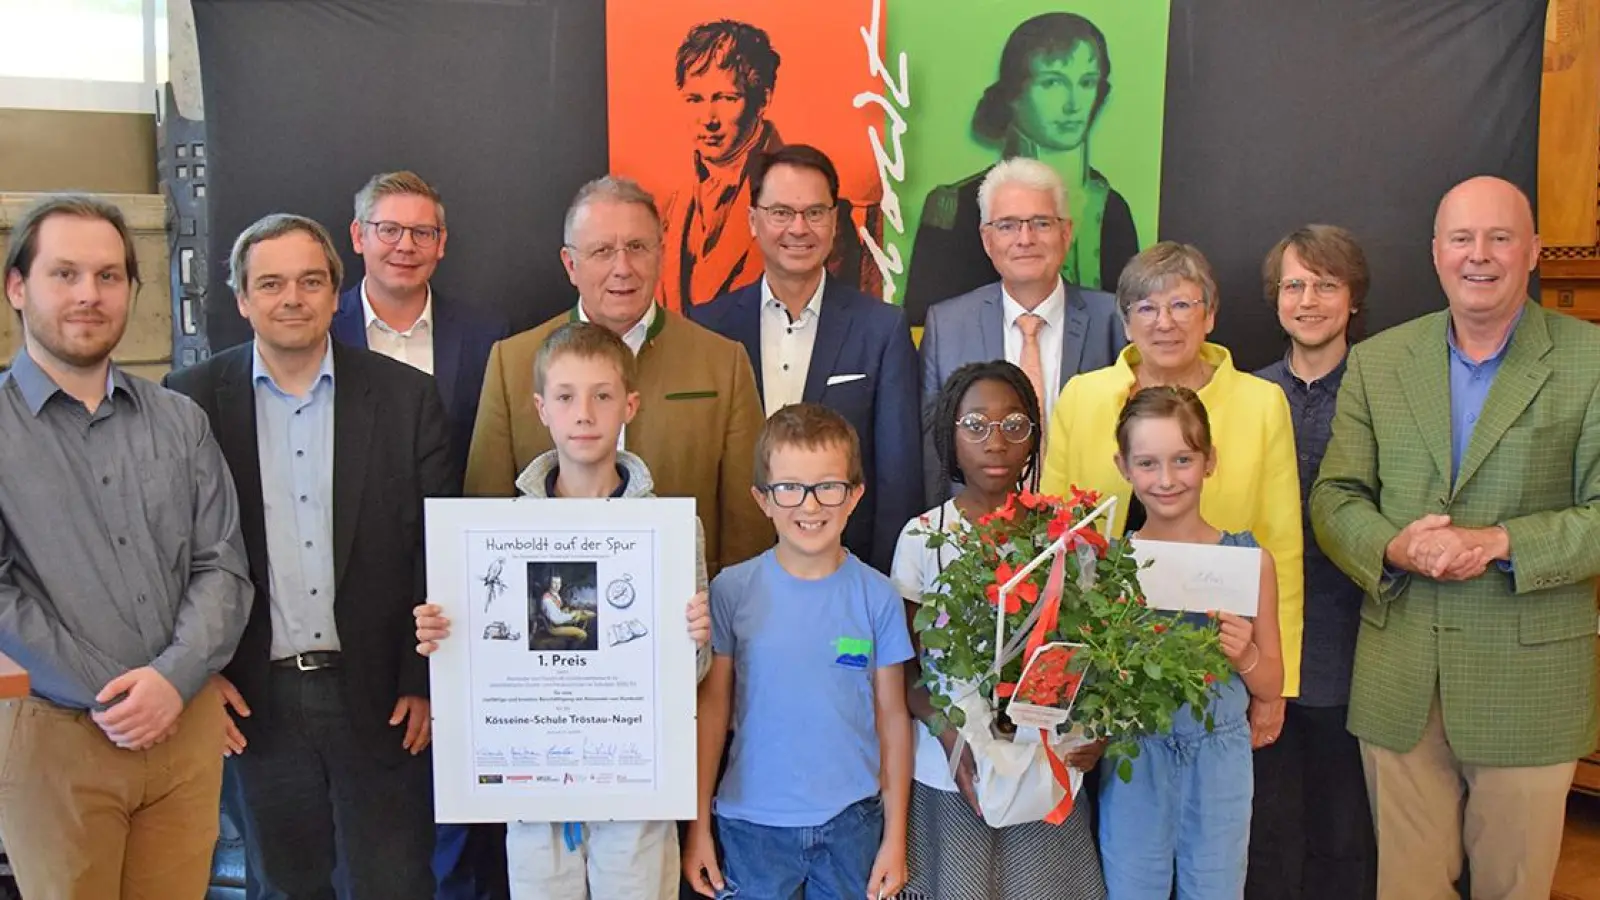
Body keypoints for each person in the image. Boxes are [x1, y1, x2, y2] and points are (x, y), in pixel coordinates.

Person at [1311, 175, 1600, 900]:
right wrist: (1395, 547)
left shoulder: (1590, 360)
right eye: (1463, 238)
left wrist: (1501, 541)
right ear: (1436, 251)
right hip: (1401, 680)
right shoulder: (1380, 361)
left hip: (1529, 684)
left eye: (1500, 237)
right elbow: (1336, 497)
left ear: (1534, 251)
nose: (1480, 255)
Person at [164, 213, 455, 900]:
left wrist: (424, 679)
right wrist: (195, 677)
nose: (291, 298)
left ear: (334, 293)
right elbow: (168, 551)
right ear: (242, 299)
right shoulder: (190, 400)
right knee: (284, 889)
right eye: (270, 284)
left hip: (383, 700)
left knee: (395, 885)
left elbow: (434, 543)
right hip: (253, 702)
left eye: (310, 281)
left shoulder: (405, 396)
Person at [0, 195, 253, 900]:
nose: (89, 294)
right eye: (65, 274)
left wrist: (171, 681)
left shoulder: (180, 420)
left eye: (109, 276)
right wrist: (114, 695)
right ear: (18, 287)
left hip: (184, 728)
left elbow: (222, 565)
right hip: (58, 738)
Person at [415, 321, 713, 900]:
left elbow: (692, 675)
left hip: (634, 785)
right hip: (535, 788)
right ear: (541, 409)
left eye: (602, 396)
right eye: (566, 397)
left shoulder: (670, 530)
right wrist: (443, 637)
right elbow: (480, 660)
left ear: (629, 406)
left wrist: (696, 640)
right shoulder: (500, 532)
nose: (584, 414)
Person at [1040, 241, 1303, 724]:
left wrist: (1275, 687)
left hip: (1219, 663)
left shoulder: (1262, 404)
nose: (1165, 322)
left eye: (1182, 304)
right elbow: (1055, 537)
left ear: (1210, 315)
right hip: (1104, 662)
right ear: (1125, 322)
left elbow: (1281, 547)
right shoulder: (1081, 397)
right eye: (1146, 308)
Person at [467, 175, 772, 577]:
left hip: (689, 604)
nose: (622, 268)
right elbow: (483, 519)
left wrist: (726, 611)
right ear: (570, 264)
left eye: (637, 247)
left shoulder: (722, 362)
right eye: (602, 251)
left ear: (661, 255)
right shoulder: (512, 363)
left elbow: (749, 526)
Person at [892, 360, 1106, 900]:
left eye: (1014, 425)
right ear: (950, 435)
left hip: (1045, 766)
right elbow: (906, 669)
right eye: (976, 425)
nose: (995, 442)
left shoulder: (1065, 534)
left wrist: (1094, 730)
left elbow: (1092, 653)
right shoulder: (923, 537)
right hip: (952, 769)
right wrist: (950, 735)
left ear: (1033, 438)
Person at [683, 404, 913, 899]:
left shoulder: (878, 597)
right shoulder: (731, 591)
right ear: (762, 499)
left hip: (853, 823)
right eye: (789, 488)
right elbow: (712, 711)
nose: (809, 506)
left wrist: (895, 838)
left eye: (827, 487)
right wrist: (697, 828)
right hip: (751, 826)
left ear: (854, 495)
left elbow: (893, 718)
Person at [691, 143, 921, 572]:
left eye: (814, 213)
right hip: (735, 572)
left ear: (834, 221)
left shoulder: (881, 329)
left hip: (846, 571)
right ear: (753, 220)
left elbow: (898, 477)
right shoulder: (707, 328)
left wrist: (884, 585)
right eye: (781, 212)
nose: (798, 228)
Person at [1100, 386, 1283, 898]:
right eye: (1148, 463)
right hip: (1136, 757)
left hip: (1220, 759)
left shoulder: (1249, 561)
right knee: (1133, 888)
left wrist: (1245, 653)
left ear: (1209, 461)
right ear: (1123, 467)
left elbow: (1272, 683)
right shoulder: (1110, 567)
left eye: (1182, 459)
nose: (1166, 479)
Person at [1249, 226, 1376, 900]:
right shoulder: (1247, 395)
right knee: (1265, 829)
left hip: (1349, 643)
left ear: (1353, 298)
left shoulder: (1382, 391)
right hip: (1257, 646)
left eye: (1326, 285)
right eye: (1293, 285)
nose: (1308, 301)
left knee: (1341, 828)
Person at [903, 11, 1139, 325]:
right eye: (1052, 82)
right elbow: (928, 326)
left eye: (1086, 83)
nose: (1073, 104)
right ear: (1013, 93)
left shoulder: (1111, 207)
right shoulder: (955, 206)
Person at [918, 157, 1125, 505]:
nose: (1025, 239)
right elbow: (932, 453)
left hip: (1088, 523)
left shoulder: (1113, 320)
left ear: (1066, 233)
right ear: (987, 239)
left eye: (1041, 223)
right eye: (1008, 225)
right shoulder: (947, 326)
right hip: (977, 528)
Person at [657, 19, 878, 312]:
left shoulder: (815, 203)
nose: (708, 119)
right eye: (694, 99)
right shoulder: (674, 207)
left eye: (727, 98)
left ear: (762, 100)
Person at [334, 170, 510, 476]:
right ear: (358, 236)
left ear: (441, 243)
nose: (406, 246)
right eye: (389, 230)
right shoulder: (324, 331)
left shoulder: (486, 338)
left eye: (422, 232)